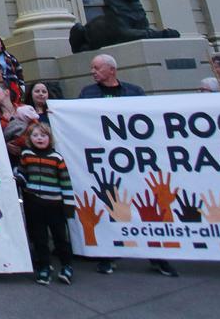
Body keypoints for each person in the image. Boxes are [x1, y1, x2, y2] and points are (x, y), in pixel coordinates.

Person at [77, 54, 178, 277]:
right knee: (110, 206)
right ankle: (109, 255)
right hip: (105, 162)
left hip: (134, 161)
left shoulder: (135, 92)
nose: (92, 72)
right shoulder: (87, 93)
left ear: (111, 70)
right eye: (92, 68)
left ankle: (158, 256)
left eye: (96, 68)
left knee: (147, 207)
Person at [18, 124, 75, 286]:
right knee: (40, 238)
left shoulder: (57, 158)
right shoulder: (27, 155)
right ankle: (44, 266)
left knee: (60, 237)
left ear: (50, 138)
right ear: (29, 139)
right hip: (34, 203)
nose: (39, 138)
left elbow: (65, 182)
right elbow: (22, 173)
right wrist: (18, 178)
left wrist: (68, 205)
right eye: (35, 136)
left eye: (43, 135)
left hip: (54, 204)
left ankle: (66, 265)